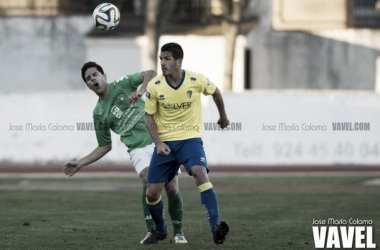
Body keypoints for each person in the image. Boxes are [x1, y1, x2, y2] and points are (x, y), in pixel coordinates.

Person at [63, 61, 187, 244]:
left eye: (95, 75)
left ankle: (179, 232)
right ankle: (154, 229)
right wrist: (80, 163)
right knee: (147, 179)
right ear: (88, 86)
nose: (92, 79)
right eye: (88, 79)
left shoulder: (122, 84)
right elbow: (104, 146)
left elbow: (151, 73)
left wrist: (142, 90)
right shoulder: (98, 113)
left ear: (104, 76)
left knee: (172, 188)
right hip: (137, 148)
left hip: (158, 138)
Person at [143, 42, 230, 245]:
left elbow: (216, 92)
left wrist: (223, 117)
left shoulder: (195, 79)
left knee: (200, 172)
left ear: (178, 61)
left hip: (190, 139)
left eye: (167, 59)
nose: (162, 63)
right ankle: (161, 229)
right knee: (152, 193)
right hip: (165, 145)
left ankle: (216, 227)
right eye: (161, 59)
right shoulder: (155, 86)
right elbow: (148, 117)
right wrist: (158, 143)